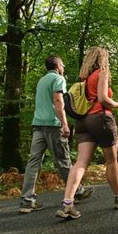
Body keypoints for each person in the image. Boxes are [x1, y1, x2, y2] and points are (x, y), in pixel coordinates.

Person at [56, 47, 118, 219]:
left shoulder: (85, 79)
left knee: (80, 162)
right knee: (111, 161)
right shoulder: (102, 72)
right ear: (102, 59)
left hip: (83, 122)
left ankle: (67, 203)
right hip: (100, 118)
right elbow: (103, 98)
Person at [19, 56, 93, 214]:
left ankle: (27, 201)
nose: (64, 67)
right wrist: (65, 124)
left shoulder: (41, 80)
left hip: (38, 124)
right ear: (58, 65)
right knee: (63, 160)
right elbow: (58, 101)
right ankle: (78, 192)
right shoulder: (58, 79)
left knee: (33, 162)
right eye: (63, 64)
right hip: (53, 125)